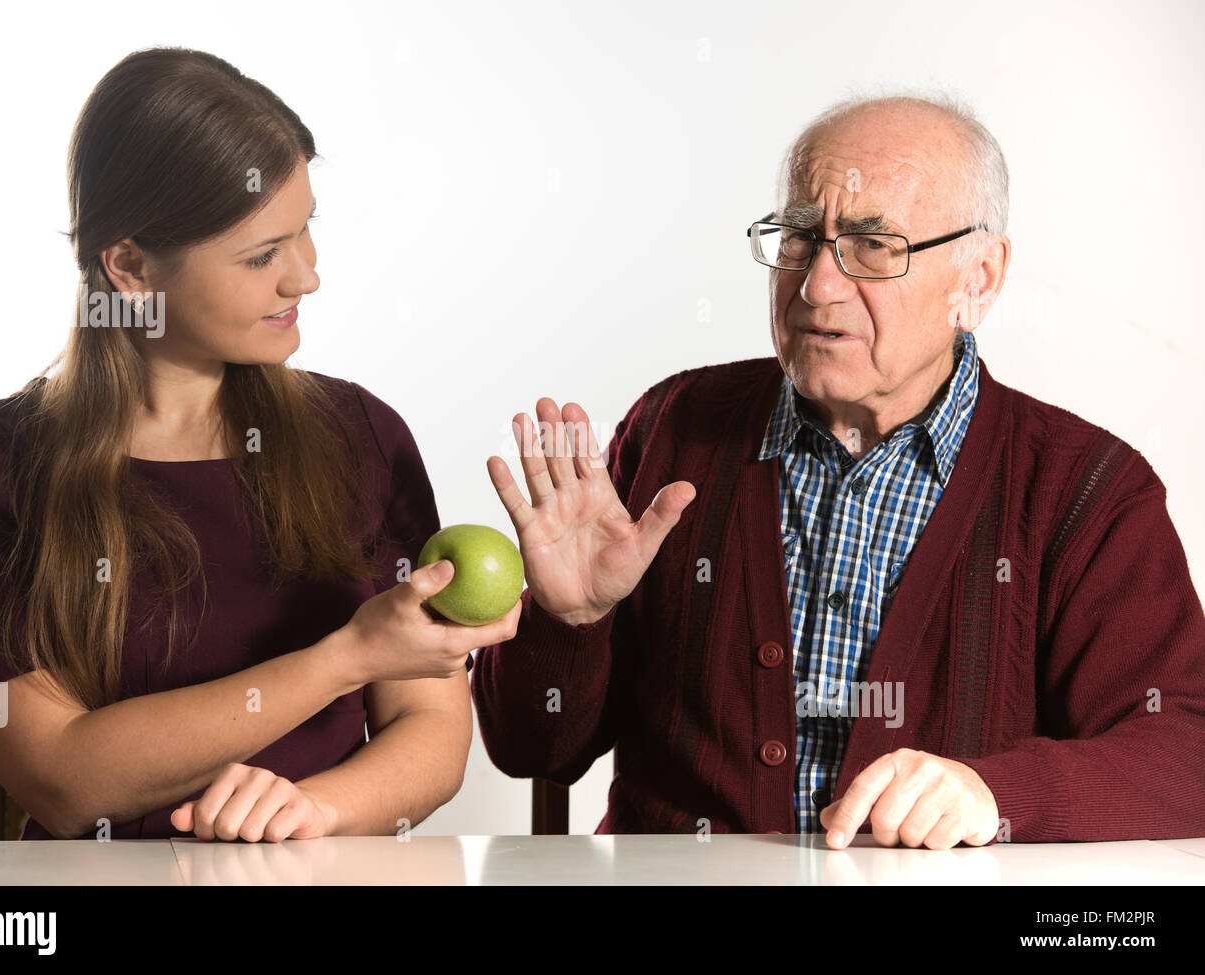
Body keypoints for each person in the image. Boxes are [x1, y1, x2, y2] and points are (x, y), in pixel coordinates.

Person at [472, 92, 1205, 848]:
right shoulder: (675, 428)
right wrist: (570, 623)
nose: (818, 287)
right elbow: (532, 749)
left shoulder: (1085, 488)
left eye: (874, 246)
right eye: (798, 238)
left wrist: (996, 793)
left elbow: (1186, 757)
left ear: (978, 280)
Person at [0, 46, 518, 842]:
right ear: (129, 265)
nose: (305, 277)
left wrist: (320, 807)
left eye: (305, 233)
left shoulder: (363, 435)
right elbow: (61, 778)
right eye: (262, 254)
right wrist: (343, 658)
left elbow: (430, 726)